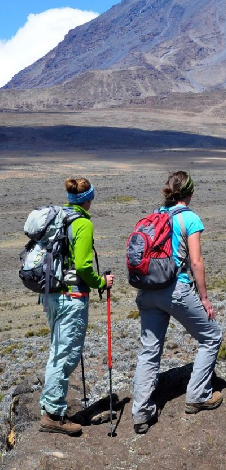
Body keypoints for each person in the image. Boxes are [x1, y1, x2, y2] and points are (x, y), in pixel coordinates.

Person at [132, 171, 223, 434]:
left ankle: (141, 413)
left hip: (147, 290)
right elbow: (196, 262)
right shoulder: (189, 218)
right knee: (212, 336)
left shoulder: (156, 214)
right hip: (176, 289)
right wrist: (204, 298)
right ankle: (198, 395)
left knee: (149, 350)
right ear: (190, 192)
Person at [39, 178, 114, 435]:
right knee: (66, 355)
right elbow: (83, 266)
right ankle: (53, 415)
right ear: (88, 199)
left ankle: (50, 408)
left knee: (57, 351)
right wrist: (101, 281)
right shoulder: (82, 223)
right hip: (71, 297)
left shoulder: (59, 218)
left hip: (51, 295)